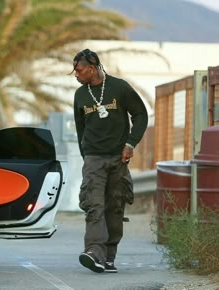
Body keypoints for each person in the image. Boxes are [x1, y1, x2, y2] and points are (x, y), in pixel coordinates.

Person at [71, 48, 148, 274]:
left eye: (79, 70)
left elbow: (141, 115)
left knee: (114, 207)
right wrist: (86, 156)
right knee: (94, 206)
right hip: (94, 159)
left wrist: (131, 143)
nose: (75, 74)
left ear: (92, 69)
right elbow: (80, 129)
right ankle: (94, 252)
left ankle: (108, 256)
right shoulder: (80, 95)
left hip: (118, 158)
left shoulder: (119, 88)